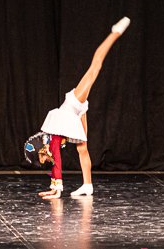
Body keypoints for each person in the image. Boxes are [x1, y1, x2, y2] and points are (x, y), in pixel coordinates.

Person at [23, 16, 130, 199]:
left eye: (42, 159)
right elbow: (54, 163)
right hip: (77, 112)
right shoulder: (48, 143)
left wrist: (57, 190)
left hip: (74, 103)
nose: (45, 161)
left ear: (41, 151)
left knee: (95, 67)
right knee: (82, 149)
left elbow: (57, 161)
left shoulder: (51, 140)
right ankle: (88, 185)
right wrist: (54, 186)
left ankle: (115, 33)